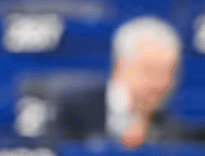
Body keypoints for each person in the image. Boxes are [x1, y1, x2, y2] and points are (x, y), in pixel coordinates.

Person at [49, 16, 181, 146]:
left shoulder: (173, 131)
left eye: (168, 73)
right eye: (150, 72)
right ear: (119, 67)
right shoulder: (71, 112)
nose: (160, 84)